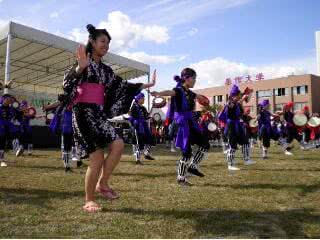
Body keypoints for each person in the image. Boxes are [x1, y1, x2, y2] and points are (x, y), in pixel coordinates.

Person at [63, 24, 128, 212]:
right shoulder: (82, 62)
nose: (106, 46)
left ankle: (103, 183)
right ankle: (89, 199)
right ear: (92, 41)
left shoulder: (106, 70)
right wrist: (79, 69)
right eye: (102, 41)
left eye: (108, 43)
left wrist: (142, 86)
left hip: (98, 115)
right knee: (97, 157)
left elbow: (120, 87)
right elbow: (67, 83)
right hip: (83, 114)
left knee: (118, 144)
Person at [151, 68, 210, 186]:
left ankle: (192, 167)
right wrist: (159, 94)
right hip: (182, 124)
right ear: (186, 78)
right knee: (186, 153)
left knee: (205, 144)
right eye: (194, 78)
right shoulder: (178, 90)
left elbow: (199, 97)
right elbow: (170, 92)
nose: (195, 81)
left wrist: (203, 99)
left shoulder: (191, 93)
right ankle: (181, 178)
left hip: (191, 122)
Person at [219, 85, 255, 171]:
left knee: (245, 142)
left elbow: (241, 112)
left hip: (238, 125)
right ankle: (230, 165)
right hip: (231, 126)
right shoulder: (229, 102)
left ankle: (246, 160)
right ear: (234, 95)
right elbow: (231, 105)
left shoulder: (238, 103)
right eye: (238, 94)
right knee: (232, 146)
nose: (240, 96)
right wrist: (242, 98)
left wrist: (243, 98)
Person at [130, 92, 155, 165]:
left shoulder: (143, 108)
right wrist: (135, 123)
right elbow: (132, 118)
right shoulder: (134, 107)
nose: (144, 99)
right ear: (138, 99)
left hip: (144, 125)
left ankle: (146, 154)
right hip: (138, 126)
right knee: (139, 143)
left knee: (151, 140)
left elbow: (147, 116)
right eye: (142, 98)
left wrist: (153, 107)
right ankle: (137, 160)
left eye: (144, 98)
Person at [0, 94, 18, 167]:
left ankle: (2, 160)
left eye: (10, 99)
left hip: (7, 126)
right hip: (1, 126)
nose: (10, 100)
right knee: (1, 142)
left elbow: (16, 115)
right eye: (8, 99)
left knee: (3, 143)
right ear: (3, 99)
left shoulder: (11, 108)